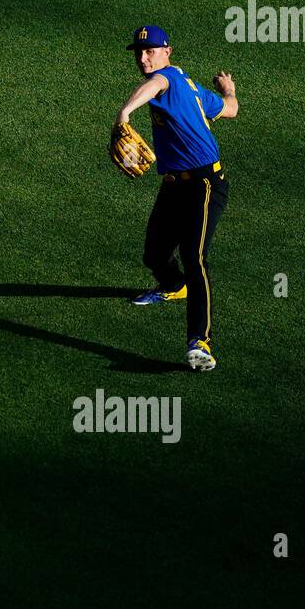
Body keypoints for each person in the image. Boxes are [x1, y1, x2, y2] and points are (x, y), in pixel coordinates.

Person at [115, 25, 238, 371]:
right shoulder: (194, 90)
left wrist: (125, 113)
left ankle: (200, 341)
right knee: (154, 253)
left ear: (167, 51)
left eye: (150, 51)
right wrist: (228, 91)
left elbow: (153, 86)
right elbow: (230, 109)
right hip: (174, 185)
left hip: (206, 185)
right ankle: (174, 286)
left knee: (194, 256)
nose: (143, 58)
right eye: (139, 53)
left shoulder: (166, 79)